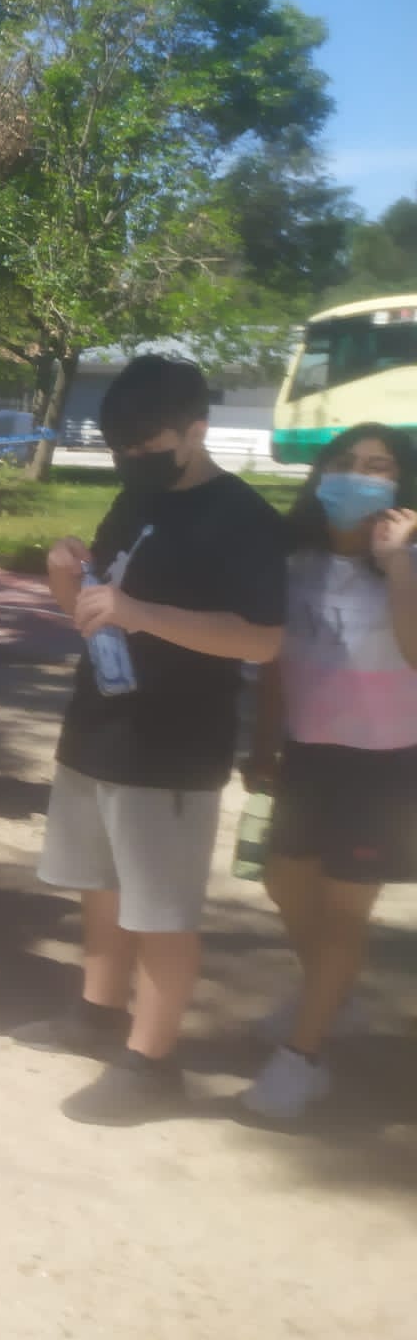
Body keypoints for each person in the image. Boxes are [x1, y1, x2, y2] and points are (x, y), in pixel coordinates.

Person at [13, 355, 287, 1126]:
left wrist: (142, 615)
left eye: (147, 445)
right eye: (121, 448)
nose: (132, 459)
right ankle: (97, 1013)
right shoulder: (137, 498)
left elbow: (263, 639)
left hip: (173, 746)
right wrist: (63, 573)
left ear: (196, 430)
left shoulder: (244, 519)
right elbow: (90, 610)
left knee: (160, 910)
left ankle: (152, 1064)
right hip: (97, 727)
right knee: (99, 887)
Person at [241, 423, 417, 1120]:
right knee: (284, 883)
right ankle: (331, 995)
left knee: (345, 909)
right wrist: (262, 746)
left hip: (386, 763)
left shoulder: (409, 563)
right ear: (321, 474)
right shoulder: (295, 560)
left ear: (401, 483)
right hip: (307, 753)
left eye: (378, 466)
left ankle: (302, 1058)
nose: (359, 476)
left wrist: (397, 562)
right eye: (346, 462)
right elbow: (272, 662)